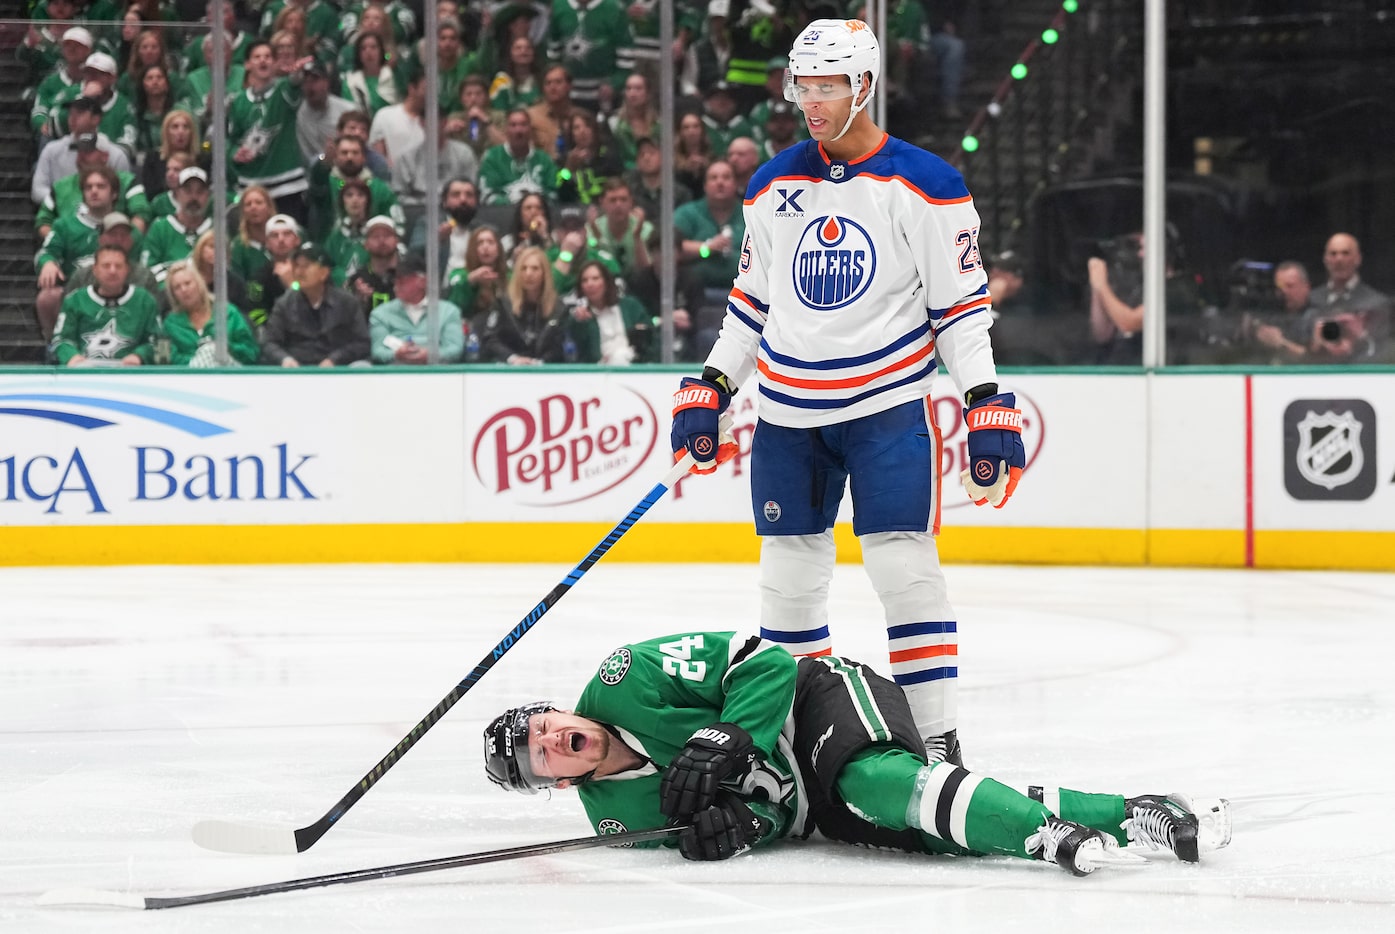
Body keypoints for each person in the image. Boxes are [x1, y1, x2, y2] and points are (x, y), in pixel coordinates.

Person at [668, 21, 1027, 766]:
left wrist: (985, 400)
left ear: (862, 86)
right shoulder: (771, 183)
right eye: (801, 86)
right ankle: (799, 744)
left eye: (825, 86)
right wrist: (712, 383)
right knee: (788, 585)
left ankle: (934, 743)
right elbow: (750, 302)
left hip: (884, 409)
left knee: (903, 569)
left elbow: (959, 310)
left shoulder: (925, 184)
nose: (810, 102)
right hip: (786, 415)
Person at [484, 630, 1232, 875]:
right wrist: (746, 830)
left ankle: (1044, 841)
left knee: (879, 780)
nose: (550, 740)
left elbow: (766, 660)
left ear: (554, 707)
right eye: (539, 757)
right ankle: (1136, 812)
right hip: (808, 807)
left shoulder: (626, 676)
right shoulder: (613, 816)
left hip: (816, 698)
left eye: (541, 725)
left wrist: (727, 732)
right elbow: (754, 814)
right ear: (555, 784)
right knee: (937, 819)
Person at [228, 40, 313, 222]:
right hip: (252, 187)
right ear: (247, 64)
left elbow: (294, 85)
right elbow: (231, 140)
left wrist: (297, 74)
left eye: (267, 57)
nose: (263, 61)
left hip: (287, 186)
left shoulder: (282, 89)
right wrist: (236, 153)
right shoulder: (239, 102)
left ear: (274, 63)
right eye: (257, 57)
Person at [50, 244, 162, 367]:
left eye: (118, 266)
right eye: (106, 266)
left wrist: (140, 356)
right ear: (95, 270)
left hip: (132, 373)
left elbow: (162, 344)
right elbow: (60, 339)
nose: (112, 271)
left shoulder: (145, 300)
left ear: (127, 270)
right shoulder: (75, 300)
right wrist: (71, 357)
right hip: (83, 372)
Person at [260, 242, 370, 366]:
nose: (300, 272)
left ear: (324, 272)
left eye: (306, 266)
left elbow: (362, 343)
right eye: (297, 266)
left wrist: (335, 359)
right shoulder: (284, 304)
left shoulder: (347, 303)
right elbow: (269, 343)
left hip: (337, 370)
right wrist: (284, 359)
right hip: (296, 370)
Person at [474, 245, 569, 364]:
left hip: (544, 370)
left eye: (535, 268)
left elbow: (560, 345)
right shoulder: (503, 303)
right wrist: (513, 358)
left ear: (545, 273)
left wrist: (540, 362)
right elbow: (490, 339)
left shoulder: (558, 308)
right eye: (523, 268)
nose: (528, 273)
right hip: (509, 368)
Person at [32, 96, 132, 206]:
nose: (72, 118)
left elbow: (124, 190)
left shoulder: (116, 154)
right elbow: (38, 190)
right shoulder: (52, 150)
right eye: (71, 113)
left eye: (79, 113)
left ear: (96, 119)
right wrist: (64, 202)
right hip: (61, 211)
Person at [369, 253, 465, 364]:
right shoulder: (380, 314)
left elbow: (455, 349)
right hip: (395, 375)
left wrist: (431, 355)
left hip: (437, 374)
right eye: (395, 280)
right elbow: (377, 351)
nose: (396, 284)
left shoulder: (448, 311)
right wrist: (396, 354)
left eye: (403, 280)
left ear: (422, 282)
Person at [162, 259, 262, 366]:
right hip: (188, 378)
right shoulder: (169, 324)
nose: (184, 290)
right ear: (173, 295)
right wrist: (200, 358)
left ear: (199, 283)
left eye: (188, 283)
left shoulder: (229, 313)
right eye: (177, 287)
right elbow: (164, 359)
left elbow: (252, 352)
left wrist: (225, 348)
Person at [1307, 232, 1392, 355]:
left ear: (1358, 259)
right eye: (1333, 254)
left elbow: (1384, 353)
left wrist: (1361, 337)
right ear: (1326, 260)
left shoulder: (1377, 303)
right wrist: (1316, 346)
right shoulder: (1311, 300)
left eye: (1345, 253)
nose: (1339, 259)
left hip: (1362, 372)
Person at [568, 260, 653, 364]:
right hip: (598, 370)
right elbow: (580, 352)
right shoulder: (578, 317)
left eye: (595, 279)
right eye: (584, 280)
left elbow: (651, 335)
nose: (590, 284)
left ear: (606, 282)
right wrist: (580, 323)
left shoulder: (630, 306)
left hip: (632, 365)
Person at [140, 166, 214, 283]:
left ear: (208, 196)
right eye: (188, 191)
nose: (194, 197)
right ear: (177, 193)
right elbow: (148, 271)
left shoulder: (215, 229)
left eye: (200, 192)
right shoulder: (160, 228)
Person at [478, 108, 559, 206]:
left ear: (530, 129)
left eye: (523, 125)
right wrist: (516, 204)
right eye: (513, 125)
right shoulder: (492, 158)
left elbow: (554, 194)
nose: (518, 130)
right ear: (506, 130)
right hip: (502, 216)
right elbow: (487, 196)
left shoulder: (544, 160)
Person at [297, 58, 358, 168]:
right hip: (316, 172)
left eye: (315, 80)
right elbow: (307, 158)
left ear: (326, 83)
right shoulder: (299, 115)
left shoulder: (347, 111)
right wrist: (324, 158)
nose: (310, 86)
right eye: (306, 81)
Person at [247, 214, 304, 328]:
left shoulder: (312, 271)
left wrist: (293, 285)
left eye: (287, 234)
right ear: (267, 243)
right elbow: (255, 314)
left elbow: (317, 308)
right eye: (274, 235)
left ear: (297, 240)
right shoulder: (258, 278)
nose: (281, 239)